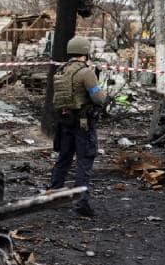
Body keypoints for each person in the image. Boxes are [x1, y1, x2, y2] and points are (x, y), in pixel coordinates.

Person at [48, 35, 107, 217]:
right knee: (84, 161)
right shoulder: (86, 72)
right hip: (83, 124)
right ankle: (81, 202)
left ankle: (54, 195)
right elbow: (98, 98)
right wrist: (102, 90)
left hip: (65, 122)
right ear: (85, 52)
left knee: (64, 159)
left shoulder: (60, 71)